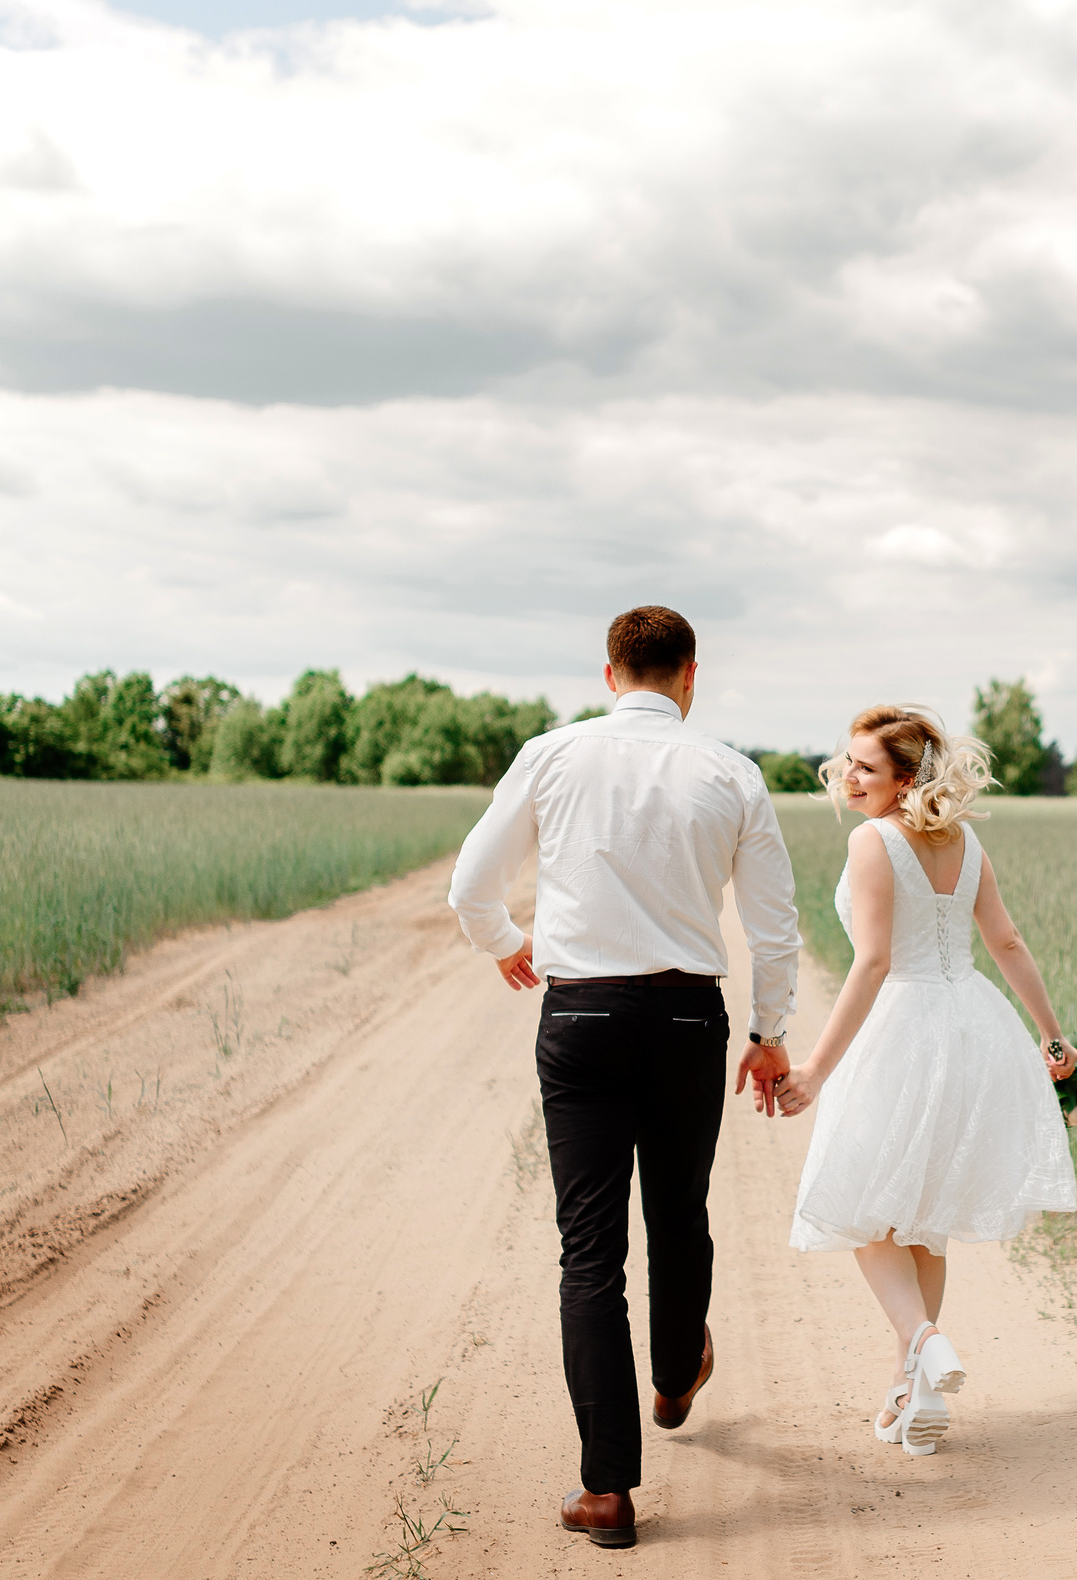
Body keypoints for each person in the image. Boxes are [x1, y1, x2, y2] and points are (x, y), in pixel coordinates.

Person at [449, 606, 800, 1549]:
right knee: (679, 1213)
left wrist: (506, 942)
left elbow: (470, 884)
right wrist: (767, 1032)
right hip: (687, 1019)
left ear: (610, 674)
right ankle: (676, 1374)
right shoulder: (732, 772)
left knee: (589, 1252)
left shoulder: (552, 754)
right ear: (691, 674)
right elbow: (773, 926)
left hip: (581, 1017)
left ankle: (606, 1491)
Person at [766, 705, 1077, 1457]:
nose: (848, 776)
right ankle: (916, 1390)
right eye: (847, 761)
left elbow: (874, 961)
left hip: (905, 1027)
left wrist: (815, 1067)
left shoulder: (871, 840)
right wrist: (1050, 1031)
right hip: (973, 1025)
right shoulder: (964, 841)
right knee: (921, 1220)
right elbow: (1006, 941)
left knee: (861, 1209)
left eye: (866, 767)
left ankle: (925, 1340)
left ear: (906, 780)